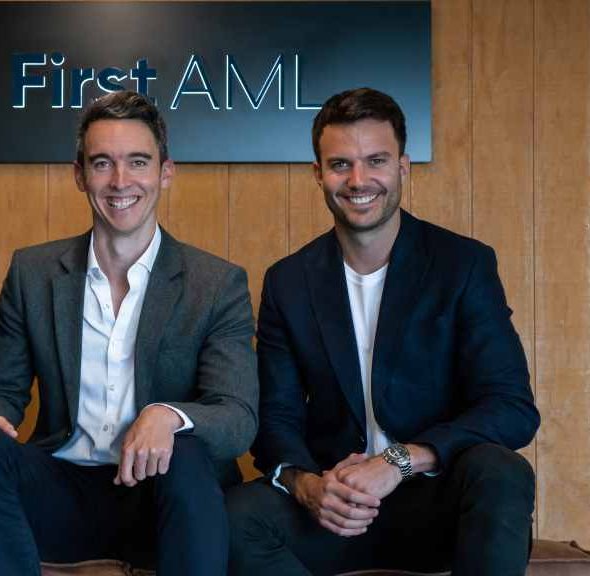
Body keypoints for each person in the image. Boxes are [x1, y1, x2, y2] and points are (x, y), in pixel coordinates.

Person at [0, 90, 258, 576]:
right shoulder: (33, 273)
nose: (120, 181)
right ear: (79, 174)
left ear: (165, 172)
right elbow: (1, 389)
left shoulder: (215, 283)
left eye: (138, 162)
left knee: (186, 449)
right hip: (60, 487)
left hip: (163, 495)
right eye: (102, 163)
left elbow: (237, 417)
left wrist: (169, 416)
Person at [227, 87, 540, 576]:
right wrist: (308, 487)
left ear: (402, 167)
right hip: (336, 506)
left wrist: (398, 460)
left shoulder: (462, 264)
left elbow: (512, 407)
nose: (359, 180)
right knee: (234, 516)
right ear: (318, 174)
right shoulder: (288, 281)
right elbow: (276, 419)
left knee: (503, 472)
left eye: (376, 161)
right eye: (340, 165)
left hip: (436, 502)